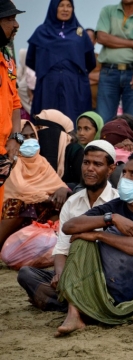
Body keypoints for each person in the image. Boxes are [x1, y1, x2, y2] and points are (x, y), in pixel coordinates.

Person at [55, 153, 133, 336]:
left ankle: (94, 310)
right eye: (124, 173)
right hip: (110, 287)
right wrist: (110, 219)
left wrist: (99, 236)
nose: (125, 178)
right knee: (80, 240)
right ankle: (74, 314)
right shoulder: (115, 207)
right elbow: (69, 226)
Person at [17, 141, 118, 312]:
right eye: (86, 163)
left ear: (111, 169)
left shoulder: (118, 202)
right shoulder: (72, 203)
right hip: (73, 274)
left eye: (97, 164)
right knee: (26, 274)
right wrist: (61, 275)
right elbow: (62, 249)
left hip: (104, 275)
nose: (89, 169)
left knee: (84, 243)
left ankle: (59, 302)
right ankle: (77, 303)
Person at [0, 121, 71, 249]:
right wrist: (46, 197)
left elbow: (56, 183)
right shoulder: (9, 160)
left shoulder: (41, 161)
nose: (29, 140)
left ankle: (43, 246)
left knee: (61, 204)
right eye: (24, 136)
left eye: (32, 136)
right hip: (8, 211)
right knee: (20, 204)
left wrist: (62, 189)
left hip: (36, 211)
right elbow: (19, 189)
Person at [27, 0, 95, 125]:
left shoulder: (79, 33)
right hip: (48, 84)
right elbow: (30, 59)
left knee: (73, 122)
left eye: (69, 6)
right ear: (54, 8)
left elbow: (90, 61)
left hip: (74, 85)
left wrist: (73, 74)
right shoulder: (42, 31)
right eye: (61, 5)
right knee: (47, 121)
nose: (65, 9)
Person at [95, 0, 133, 125]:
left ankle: (131, 145)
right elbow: (102, 37)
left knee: (132, 123)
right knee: (103, 121)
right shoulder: (108, 11)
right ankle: (102, 145)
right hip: (108, 71)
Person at [0, 0, 24, 220]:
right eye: (9, 19)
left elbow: (15, 103)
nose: (16, 24)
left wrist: (16, 137)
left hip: (2, 152)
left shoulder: (7, 59)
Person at [63, 111, 105, 187]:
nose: (81, 133)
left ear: (97, 131)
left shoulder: (105, 151)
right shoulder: (74, 149)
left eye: (87, 129)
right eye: (79, 128)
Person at [33, 109, 74, 180]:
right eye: (36, 128)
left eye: (40, 128)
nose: (38, 132)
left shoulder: (74, 151)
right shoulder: (33, 151)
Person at [86, 28, 101, 110]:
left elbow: (103, 76)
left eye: (90, 38)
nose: (88, 41)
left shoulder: (100, 58)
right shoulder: (75, 59)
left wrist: (83, 77)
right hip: (79, 105)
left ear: (95, 41)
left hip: (97, 106)